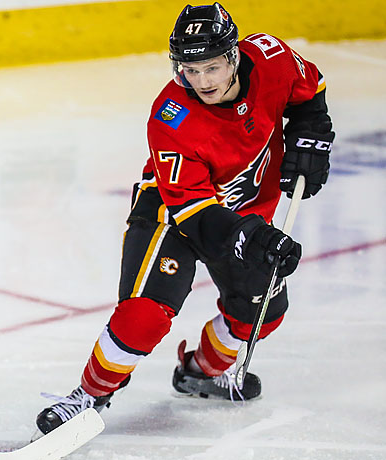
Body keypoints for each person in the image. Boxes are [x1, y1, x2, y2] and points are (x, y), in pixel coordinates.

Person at [36, 2, 334, 434]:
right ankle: (87, 396)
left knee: (261, 315)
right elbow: (193, 214)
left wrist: (312, 136)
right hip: (172, 212)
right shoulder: (171, 116)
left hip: (245, 210)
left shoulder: (271, 57)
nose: (201, 82)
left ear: (234, 55)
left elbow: (310, 93)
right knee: (143, 315)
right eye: (189, 70)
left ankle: (201, 371)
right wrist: (252, 238)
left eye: (211, 68)